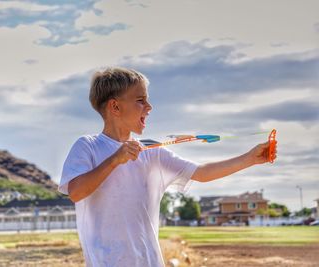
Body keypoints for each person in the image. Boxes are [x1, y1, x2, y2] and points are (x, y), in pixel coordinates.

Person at [59, 67, 276, 266]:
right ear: (115, 106)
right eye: (140, 100)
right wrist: (115, 160)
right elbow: (76, 192)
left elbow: (201, 173)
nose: (149, 107)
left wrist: (250, 158)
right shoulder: (87, 146)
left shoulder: (152, 151)